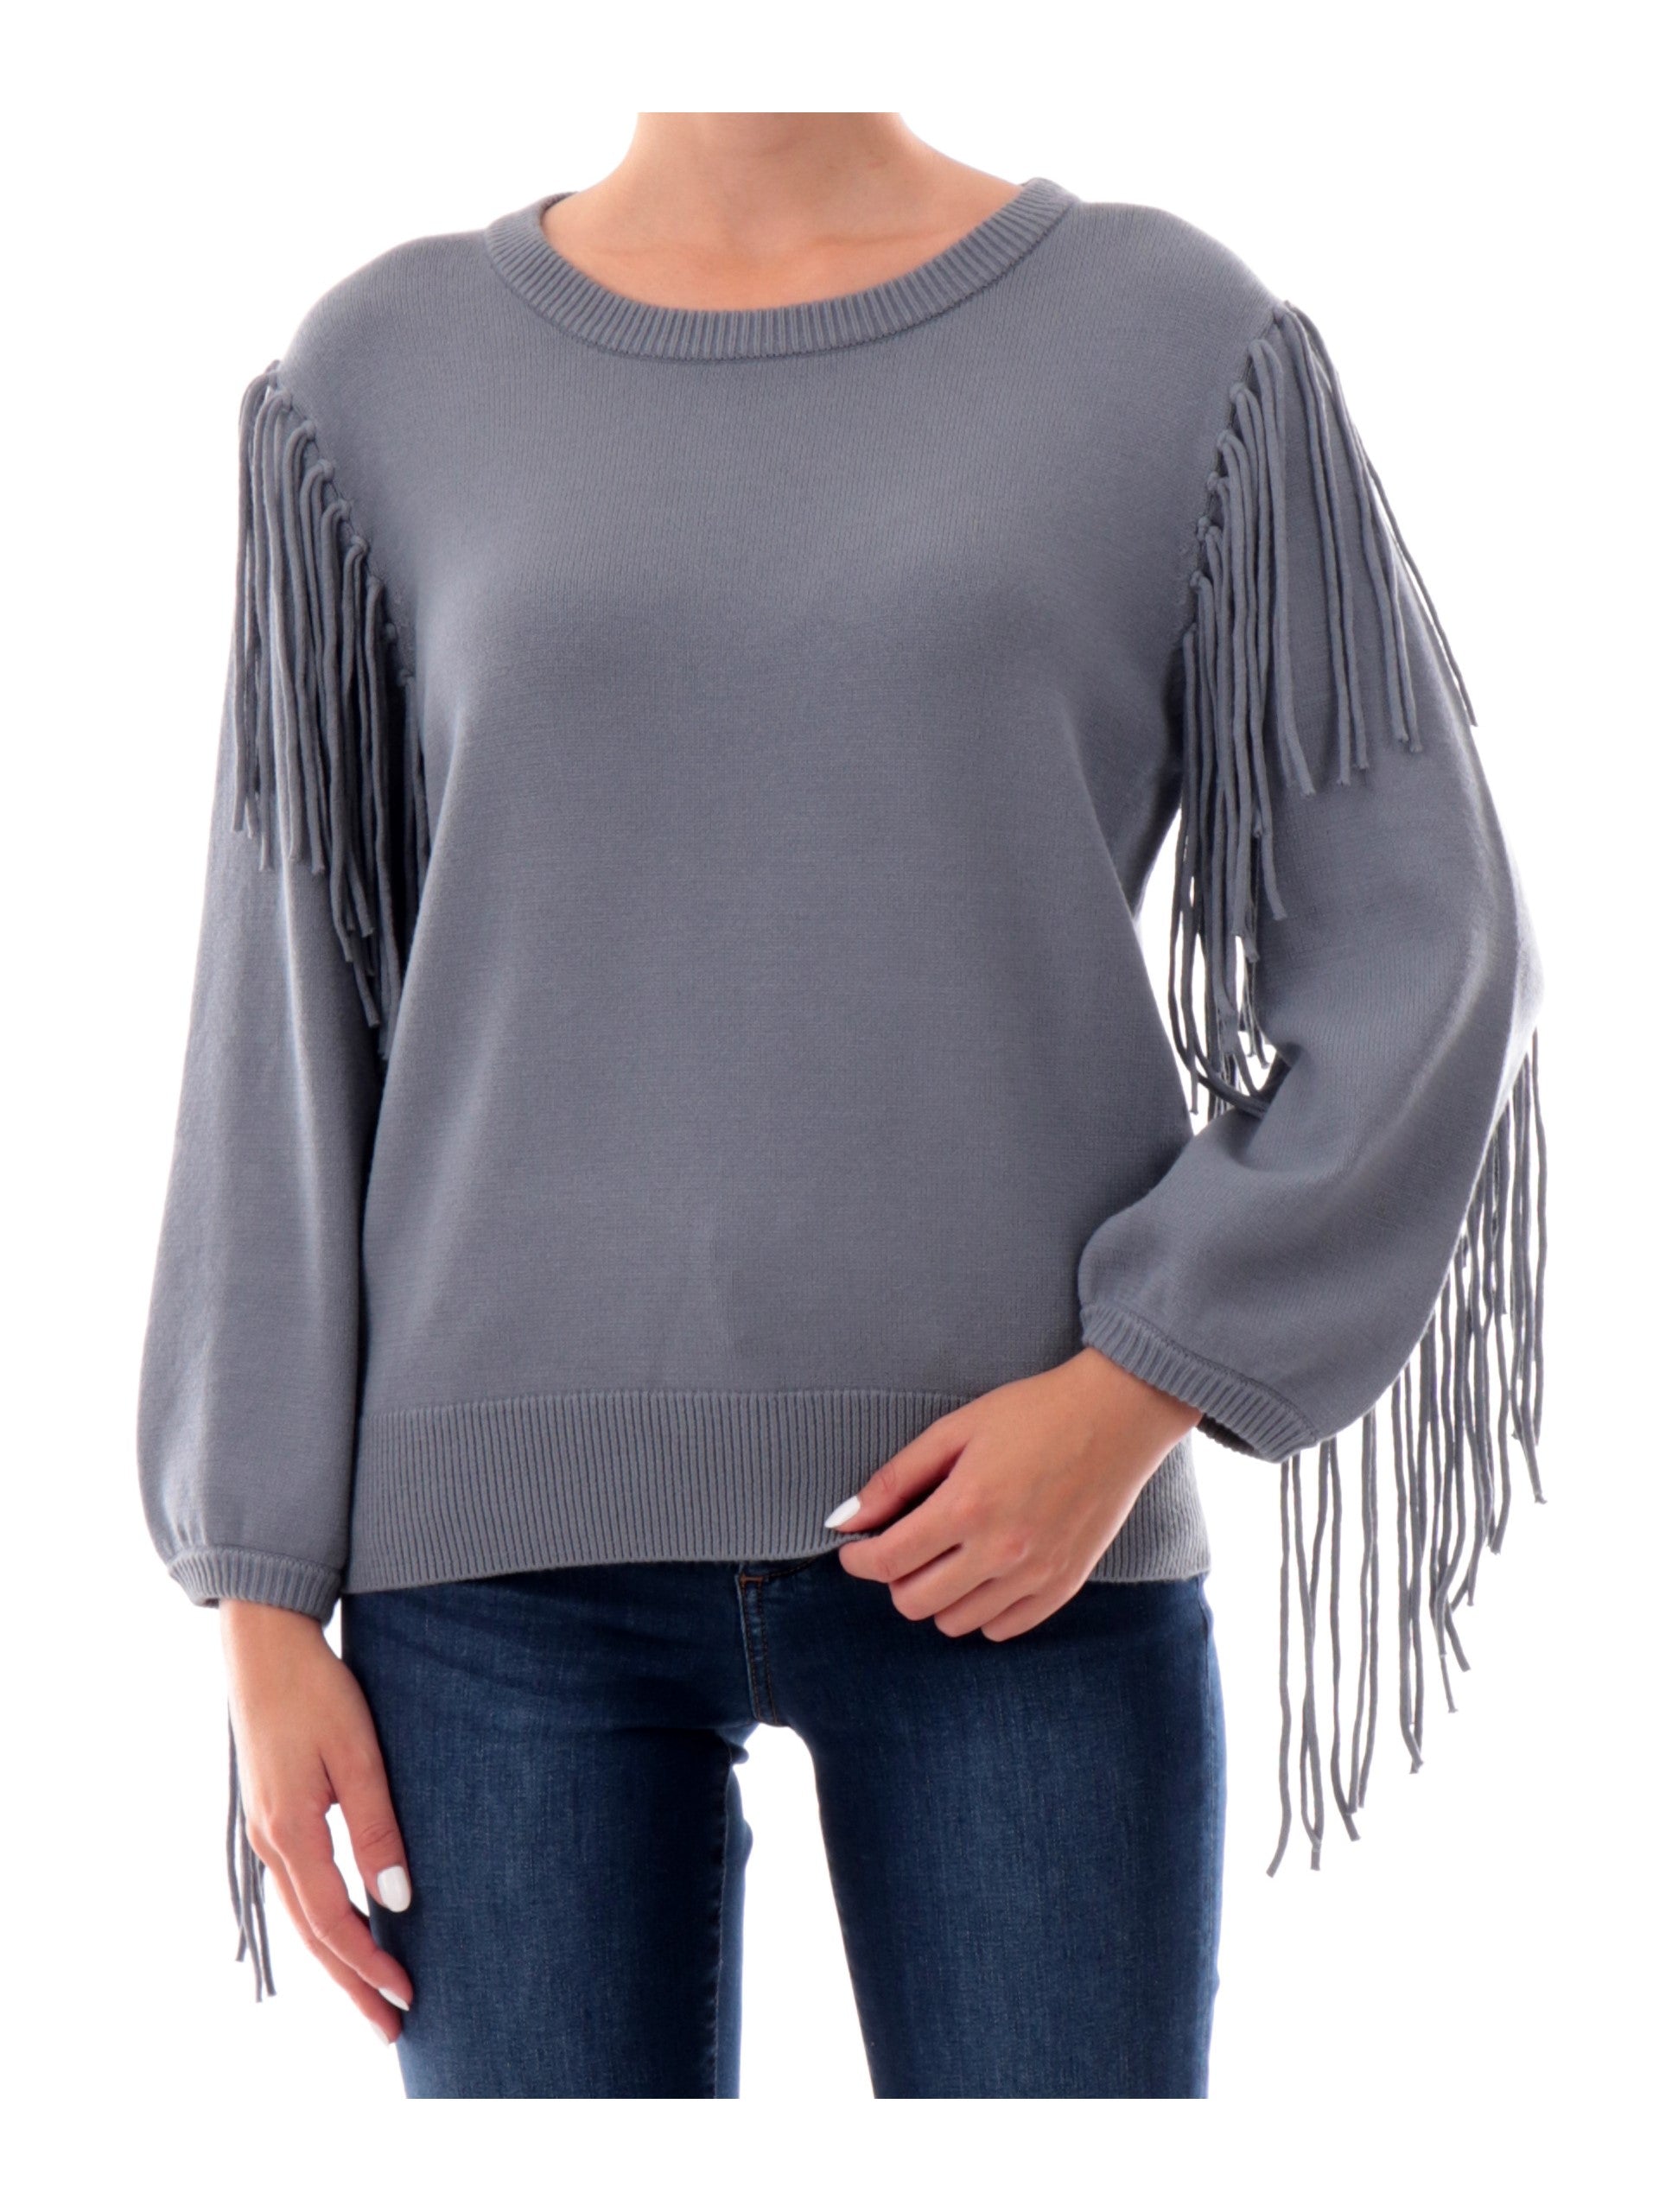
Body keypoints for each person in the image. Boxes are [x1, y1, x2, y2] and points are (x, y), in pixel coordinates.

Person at [136, 111, 1547, 2098]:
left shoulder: (1169, 341)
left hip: (1021, 1539)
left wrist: (1139, 1383)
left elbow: (1429, 947)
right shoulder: (380, 379)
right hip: (495, 1596)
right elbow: (277, 1006)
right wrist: (260, 1589)